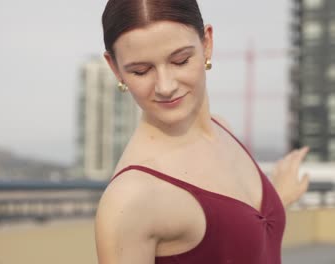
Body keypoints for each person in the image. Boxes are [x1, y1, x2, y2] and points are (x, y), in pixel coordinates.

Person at [94, 0, 311, 263]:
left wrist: (277, 197)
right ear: (115, 68)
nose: (165, 86)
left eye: (180, 60)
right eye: (141, 71)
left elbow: (233, 240)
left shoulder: (223, 130)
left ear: (207, 43)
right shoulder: (128, 201)